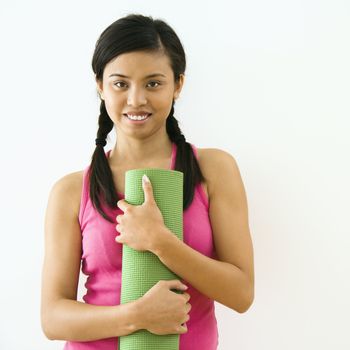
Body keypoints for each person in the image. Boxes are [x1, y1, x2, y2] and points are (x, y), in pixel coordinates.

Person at [40, 13, 254, 350]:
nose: (136, 99)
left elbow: (241, 294)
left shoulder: (214, 170)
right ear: (100, 86)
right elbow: (53, 318)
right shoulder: (70, 192)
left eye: (153, 83)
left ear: (178, 85)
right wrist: (138, 316)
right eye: (120, 83)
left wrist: (160, 242)